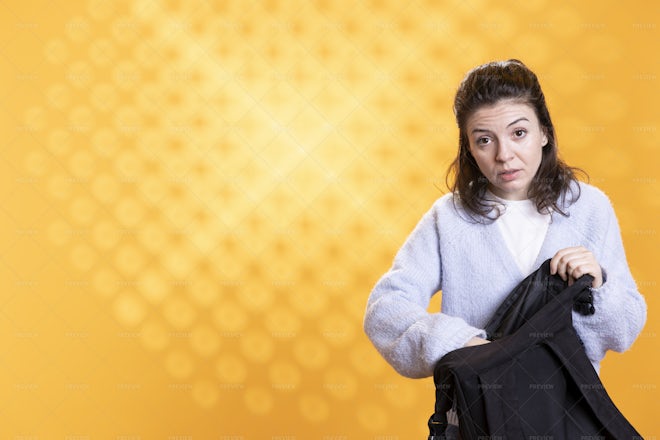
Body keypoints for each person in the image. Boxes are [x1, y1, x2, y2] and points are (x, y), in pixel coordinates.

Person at [363, 59, 647, 382]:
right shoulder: (450, 219)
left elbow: (625, 328)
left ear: (544, 132)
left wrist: (598, 285)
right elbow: (384, 310)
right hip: (476, 424)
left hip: (568, 421)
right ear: (469, 148)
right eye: (485, 139)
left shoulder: (589, 208)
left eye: (519, 133)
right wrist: (461, 345)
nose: (504, 154)